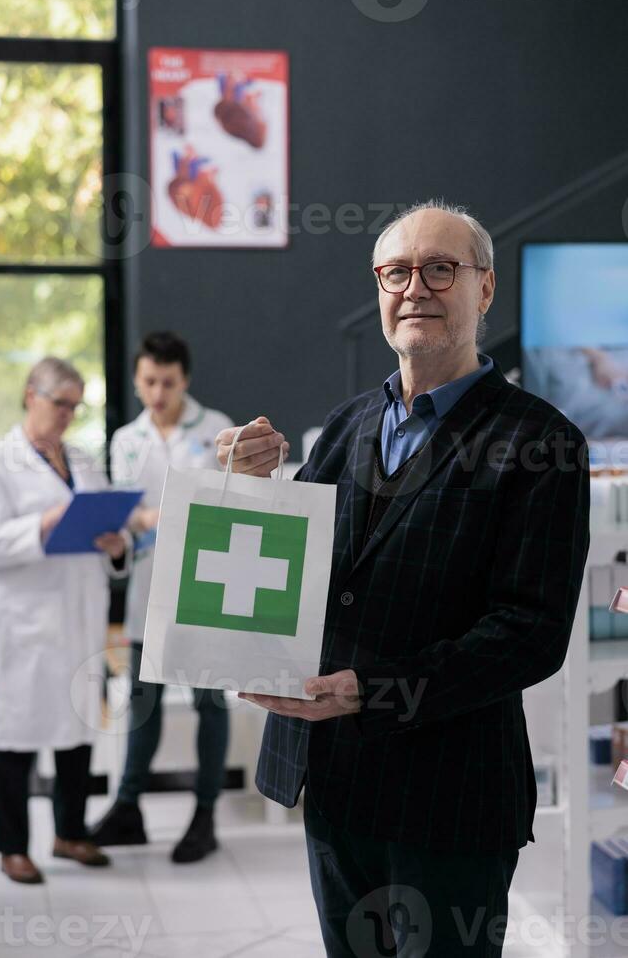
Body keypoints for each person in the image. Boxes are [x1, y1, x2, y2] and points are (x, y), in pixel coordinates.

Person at [216, 201, 590, 957]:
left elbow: (529, 635)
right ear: (379, 289)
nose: (415, 286)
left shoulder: (540, 442)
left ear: (484, 290)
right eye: (396, 271)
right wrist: (241, 488)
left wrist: (370, 689)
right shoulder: (348, 425)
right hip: (333, 782)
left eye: (441, 268)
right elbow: (297, 570)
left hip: (450, 800)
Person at [0, 358, 129, 885]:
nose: (67, 415)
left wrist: (115, 545)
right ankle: (12, 847)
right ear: (30, 395)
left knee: (76, 731)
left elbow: (111, 534)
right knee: (16, 736)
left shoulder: (83, 460)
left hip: (80, 618)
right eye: (59, 403)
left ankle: (69, 832)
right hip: (27, 625)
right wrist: (43, 523)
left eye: (74, 406)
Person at [90, 331, 233, 863]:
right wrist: (134, 526)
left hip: (203, 586)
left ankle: (204, 816)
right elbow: (127, 518)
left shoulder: (217, 429)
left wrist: (158, 514)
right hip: (148, 588)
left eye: (167, 383)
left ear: (184, 381)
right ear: (136, 379)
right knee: (143, 705)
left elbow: (224, 506)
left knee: (207, 702)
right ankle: (127, 809)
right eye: (148, 381)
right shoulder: (127, 439)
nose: (156, 392)